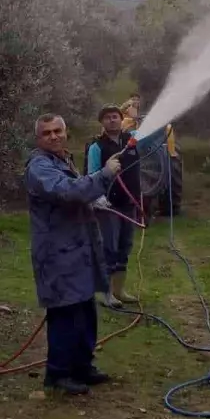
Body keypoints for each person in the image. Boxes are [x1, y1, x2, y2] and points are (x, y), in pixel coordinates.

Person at [24, 113, 123, 396]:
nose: (54, 136)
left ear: (66, 132)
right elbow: (65, 192)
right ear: (38, 138)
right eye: (47, 133)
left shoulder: (62, 160)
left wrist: (95, 196)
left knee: (84, 311)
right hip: (57, 254)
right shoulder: (39, 167)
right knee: (65, 314)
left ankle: (82, 367)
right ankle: (58, 374)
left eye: (58, 131)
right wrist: (103, 175)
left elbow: (77, 195)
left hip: (76, 251)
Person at [84, 105, 140, 307]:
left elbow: (155, 135)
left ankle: (119, 290)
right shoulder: (96, 147)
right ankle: (105, 293)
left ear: (121, 119)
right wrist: (96, 197)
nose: (112, 120)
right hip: (108, 206)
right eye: (107, 118)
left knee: (125, 246)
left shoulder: (132, 141)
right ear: (102, 123)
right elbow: (91, 174)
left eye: (115, 117)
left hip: (129, 202)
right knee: (108, 247)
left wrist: (138, 117)